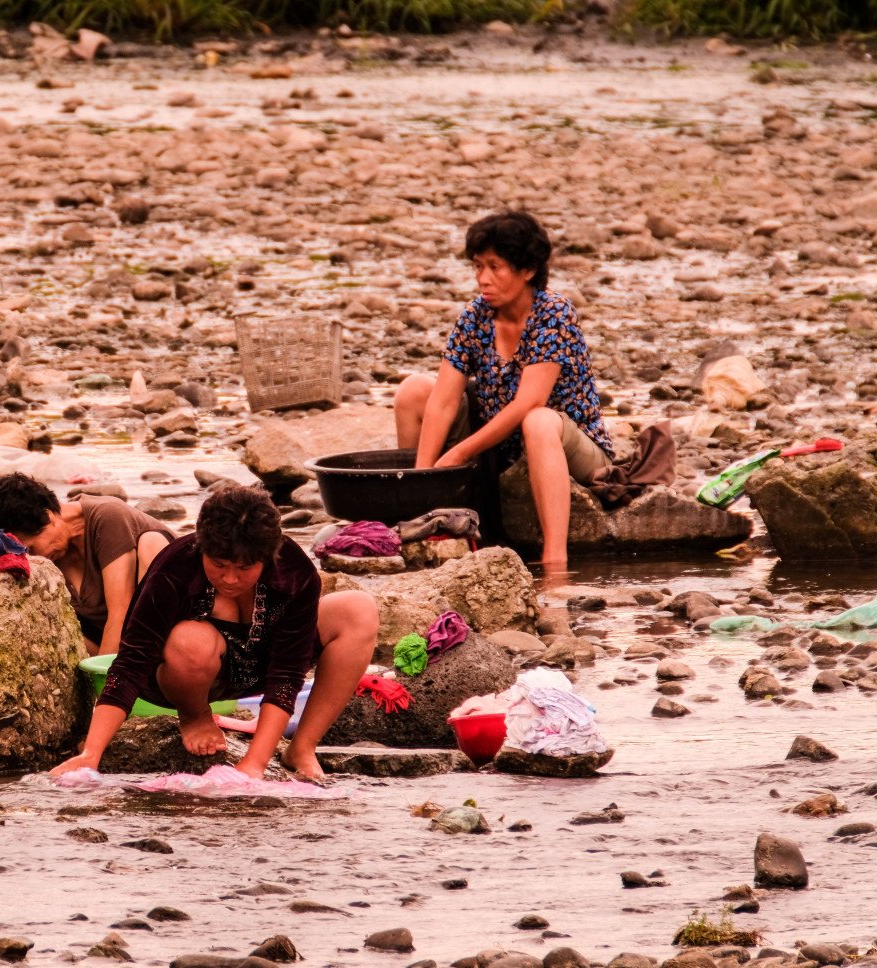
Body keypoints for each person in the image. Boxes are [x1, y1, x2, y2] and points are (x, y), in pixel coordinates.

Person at [50, 484, 378, 781]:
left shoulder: (295, 572)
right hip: (179, 677)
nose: (230, 579)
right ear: (202, 547)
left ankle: (302, 748)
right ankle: (194, 715)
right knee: (191, 640)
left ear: (268, 557)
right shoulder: (176, 566)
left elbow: (287, 674)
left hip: (259, 665)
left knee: (358, 609)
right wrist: (90, 754)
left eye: (244, 568)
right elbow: (132, 661)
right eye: (219, 565)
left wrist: (255, 763)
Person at [392, 210, 613, 569]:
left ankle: (555, 560)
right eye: (479, 267)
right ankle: (421, 520)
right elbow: (443, 400)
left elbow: (529, 402)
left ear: (527, 271)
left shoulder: (553, 313)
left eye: (495, 267)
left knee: (539, 420)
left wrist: (459, 453)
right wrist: (424, 477)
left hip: (570, 444)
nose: (484, 279)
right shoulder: (476, 316)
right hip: (501, 448)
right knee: (414, 390)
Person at [0, 473, 174, 656]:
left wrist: (106, 691)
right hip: (113, 645)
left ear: (48, 516)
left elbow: (121, 615)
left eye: (33, 550)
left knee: (151, 545)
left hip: (165, 634)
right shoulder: (55, 553)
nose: (38, 561)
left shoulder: (108, 517)